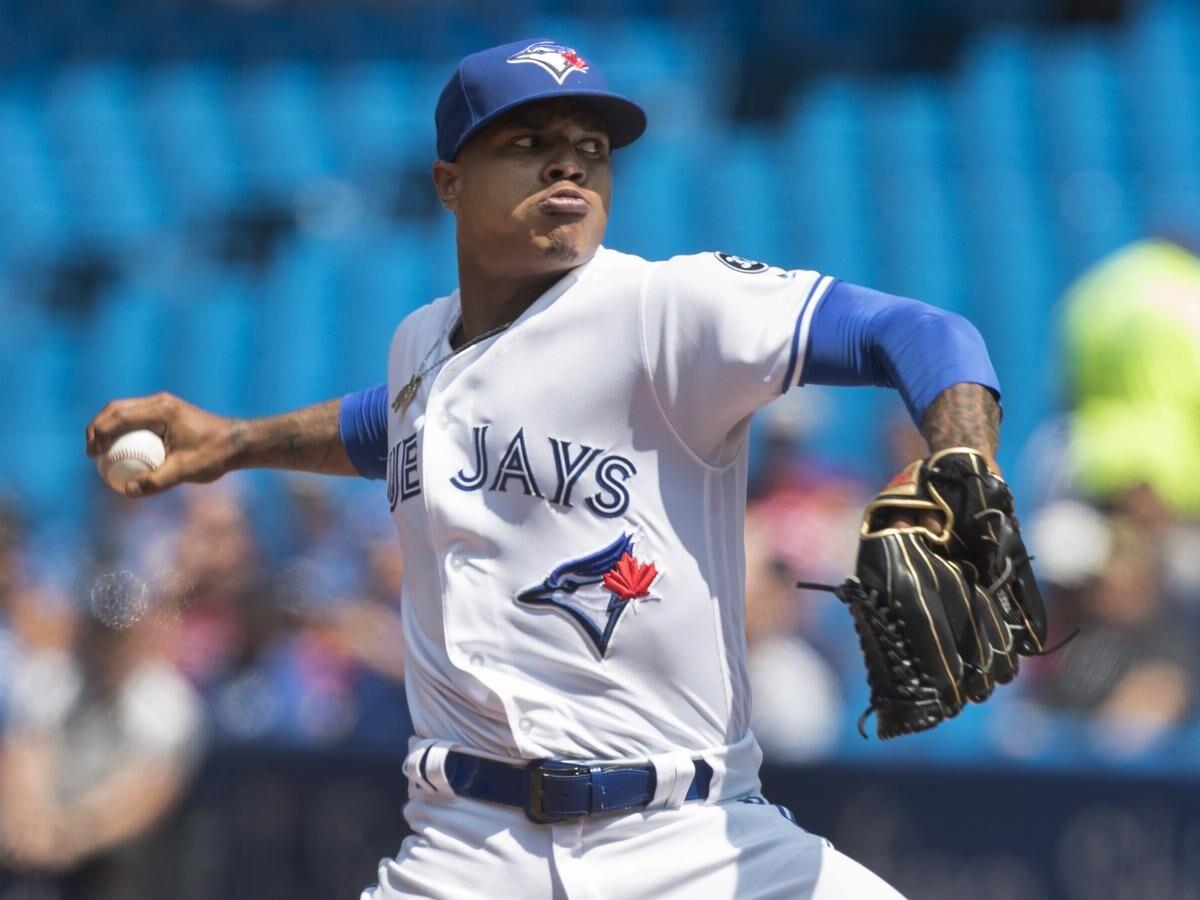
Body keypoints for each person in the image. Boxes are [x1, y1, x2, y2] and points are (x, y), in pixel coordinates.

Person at [86, 38, 1008, 899]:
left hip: (691, 844)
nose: (569, 163)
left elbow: (920, 332)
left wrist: (963, 460)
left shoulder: (664, 310)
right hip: (464, 849)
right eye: (530, 142)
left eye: (590, 147)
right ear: (449, 182)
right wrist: (236, 443)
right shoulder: (422, 345)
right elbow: (395, 424)